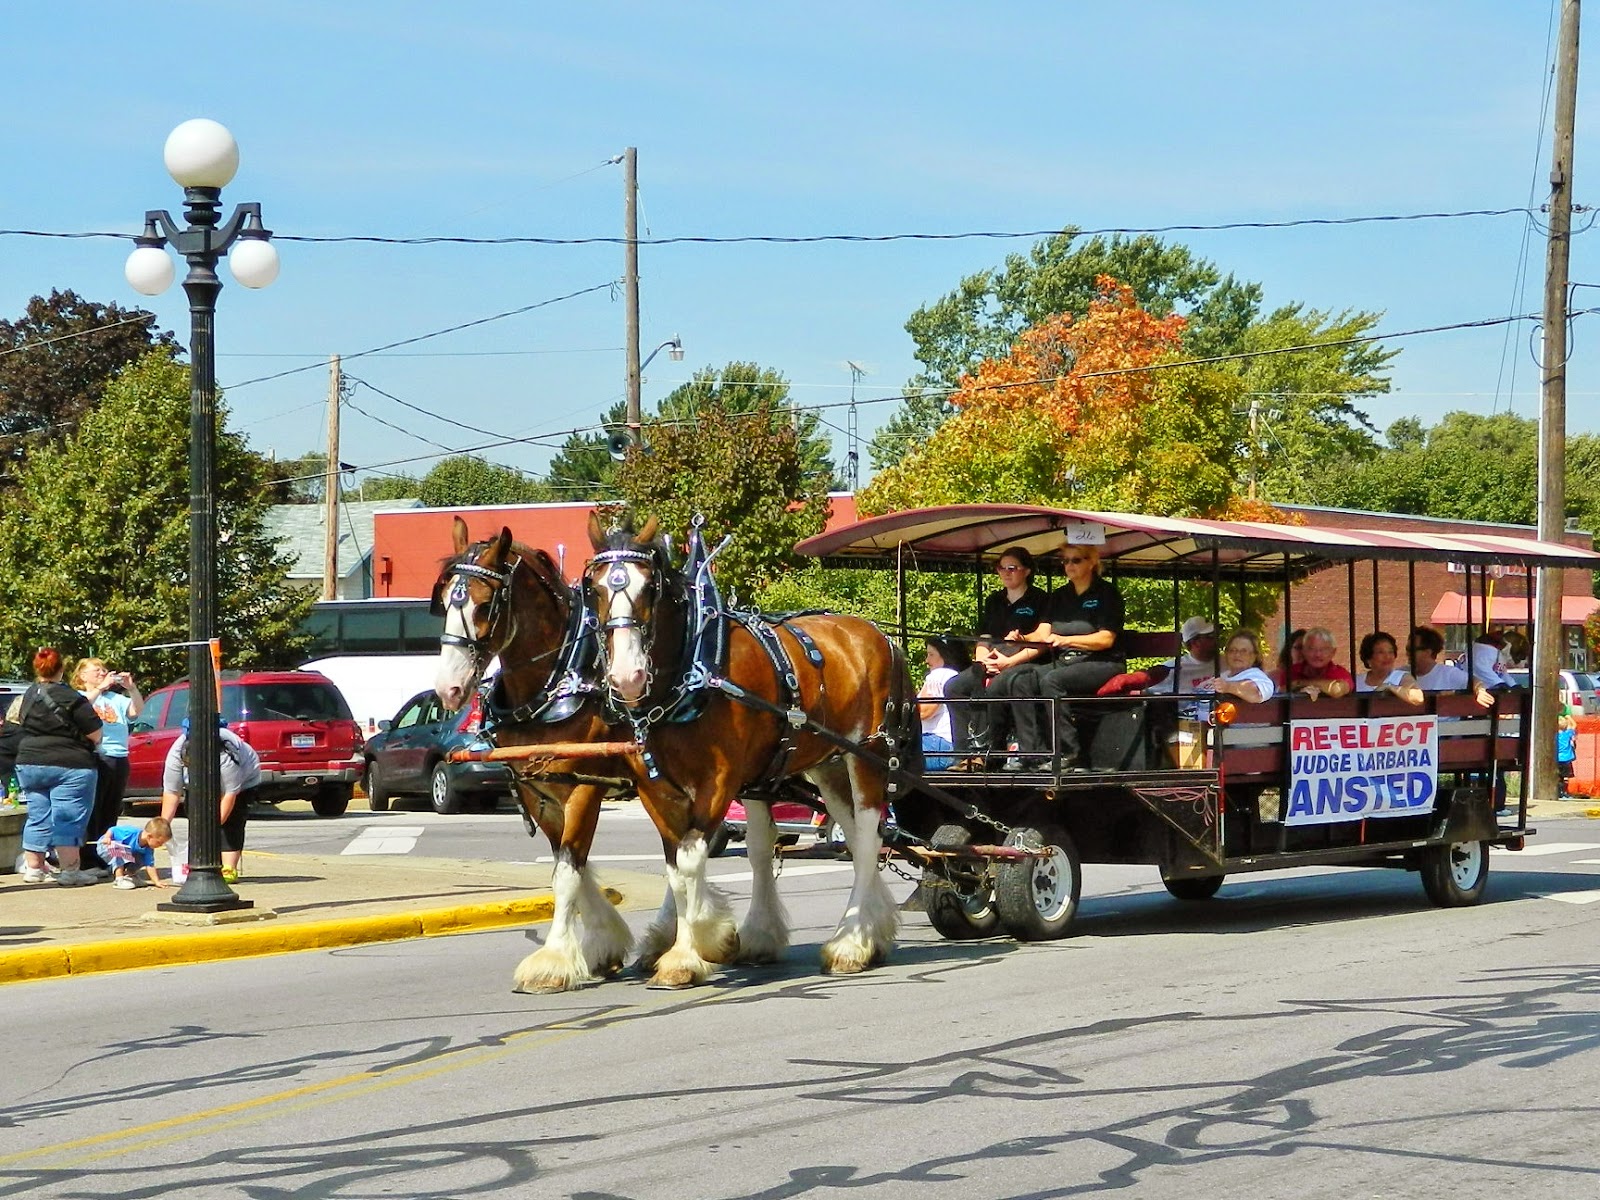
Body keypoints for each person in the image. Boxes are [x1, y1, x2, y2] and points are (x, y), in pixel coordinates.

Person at [943, 547, 1047, 757]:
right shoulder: (994, 601)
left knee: (993, 689)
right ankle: (964, 755)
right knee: (954, 687)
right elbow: (985, 637)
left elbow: (1043, 642)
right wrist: (982, 661)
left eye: (1012, 568)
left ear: (1026, 571)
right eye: (1001, 568)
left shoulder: (1041, 599)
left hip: (1023, 662)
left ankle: (989, 751)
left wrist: (1008, 662)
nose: (1006, 573)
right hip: (991, 660)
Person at [13, 647, 104, 886]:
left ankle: (33, 868)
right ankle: (70, 871)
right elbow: (95, 733)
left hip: (30, 762)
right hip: (70, 763)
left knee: (37, 815)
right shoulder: (72, 697)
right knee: (68, 816)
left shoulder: (29, 695)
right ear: (61, 669)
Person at [1033, 543, 1127, 767]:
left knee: (1052, 681)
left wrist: (1066, 640)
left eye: (1076, 560)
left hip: (1104, 662)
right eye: (1065, 561)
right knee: (1020, 679)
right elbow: (1042, 634)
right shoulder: (1059, 596)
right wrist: (1016, 639)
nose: (1069, 565)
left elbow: (1106, 640)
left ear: (1092, 562)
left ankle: (1068, 753)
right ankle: (1033, 751)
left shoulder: (1107, 594)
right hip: (1067, 661)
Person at [160, 719, 261, 883]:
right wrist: (162, 825)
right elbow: (172, 792)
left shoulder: (226, 754)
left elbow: (229, 794)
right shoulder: (176, 753)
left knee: (231, 822)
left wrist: (211, 829)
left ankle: (229, 868)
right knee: (196, 816)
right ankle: (197, 861)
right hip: (197, 785)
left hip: (243, 781)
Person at [73, 657, 143, 871]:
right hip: (97, 756)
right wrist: (100, 688)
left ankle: (108, 858)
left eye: (104, 669)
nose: (103, 673)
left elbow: (135, 711)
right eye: (97, 670)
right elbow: (80, 709)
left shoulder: (114, 698)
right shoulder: (80, 696)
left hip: (119, 756)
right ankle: (88, 859)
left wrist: (131, 689)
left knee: (111, 810)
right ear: (82, 675)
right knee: (94, 810)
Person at [1145, 616, 1220, 720]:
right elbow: (1144, 690)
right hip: (1188, 729)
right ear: (1195, 642)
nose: (1217, 639)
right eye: (1211, 636)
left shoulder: (1230, 662)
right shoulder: (1172, 669)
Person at [1407, 625, 1494, 708]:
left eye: (1411, 649)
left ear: (1428, 652)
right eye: (1407, 649)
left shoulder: (1449, 674)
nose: (1407, 654)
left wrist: (1480, 691)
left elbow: (1474, 680)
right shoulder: (1402, 673)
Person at [917, 636, 968, 770]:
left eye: (931, 655)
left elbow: (924, 711)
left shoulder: (940, 674)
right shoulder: (956, 676)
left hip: (937, 744)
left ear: (945, 655)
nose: (927, 660)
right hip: (946, 746)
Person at [97, 816, 173, 889]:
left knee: (142, 858)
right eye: (159, 842)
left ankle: (129, 875)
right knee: (119, 849)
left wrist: (157, 882)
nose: (160, 845)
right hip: (106, 845)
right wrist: (107, 837)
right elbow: (113, 830)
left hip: (122, 851)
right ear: (149, 837)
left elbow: (150, 865)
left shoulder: (148, 848)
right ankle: (119, 879)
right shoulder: (130, 832)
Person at [1355, 631, 1424, 706]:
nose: (1387, 657)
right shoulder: (1357, 681)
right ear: (1368, 658)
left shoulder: (1402, 677)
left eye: (1390, 652)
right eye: (1380, 652)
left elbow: (1418, 697)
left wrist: (1390, 687)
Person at [1288, 627, 1354, 700]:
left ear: (1333, 652)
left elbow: (1337, 690)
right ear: (1303, 650)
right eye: (1312, 649)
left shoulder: (1340, 673)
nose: (1318, 654)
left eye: (1324, 650)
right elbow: (1282, 690)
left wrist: (1300, 684)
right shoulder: (1291, 671)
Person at [1558, 711, 1578, 796]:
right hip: (1567, 758)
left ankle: (1559, 792)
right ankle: (1565, 792)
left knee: (1559, 776)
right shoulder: (1568, 733)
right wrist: (1568, 717)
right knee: (1566, 776)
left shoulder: (1555, 735)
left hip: (1558, 758)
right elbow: (1574, 725)